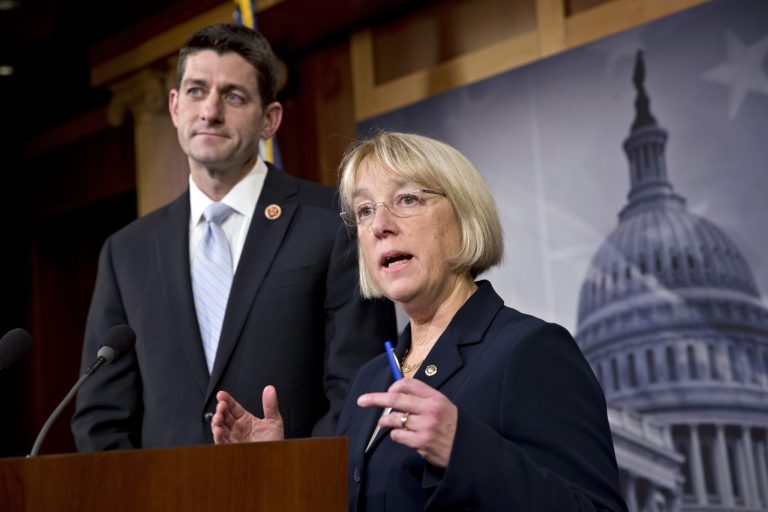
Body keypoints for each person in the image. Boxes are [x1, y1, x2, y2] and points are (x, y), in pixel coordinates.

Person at [212, 132, 627, 511]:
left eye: (407, 199)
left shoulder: (530, 351)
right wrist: (277, 467)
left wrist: (462, 448)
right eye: (365, 210)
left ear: (464, 219)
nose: (380, 226)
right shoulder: (371, 379)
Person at [71, 24, 397, 450]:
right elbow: (101, 419)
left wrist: (296, 481)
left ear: (270, 120)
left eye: (233, 95)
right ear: (173, 107)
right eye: (195, 91)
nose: (209, 111)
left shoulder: (333, 222)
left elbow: (359, 389)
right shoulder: (126, 252)